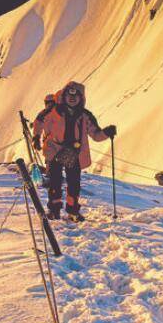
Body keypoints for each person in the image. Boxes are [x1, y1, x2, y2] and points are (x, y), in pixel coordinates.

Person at [39, 81, 116, 222]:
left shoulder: (85, 115)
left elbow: (96, 134)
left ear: (81, 98)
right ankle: (56, 210)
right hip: (56, 151)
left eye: (75, 96)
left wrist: (106, 132)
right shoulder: (55, 111)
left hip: (73, 153)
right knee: (55, 182)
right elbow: (40, 121)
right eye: (69, 95)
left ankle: (71, 211)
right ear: (64, 96)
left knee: (73, 183)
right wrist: (36, 137)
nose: (72, 98)